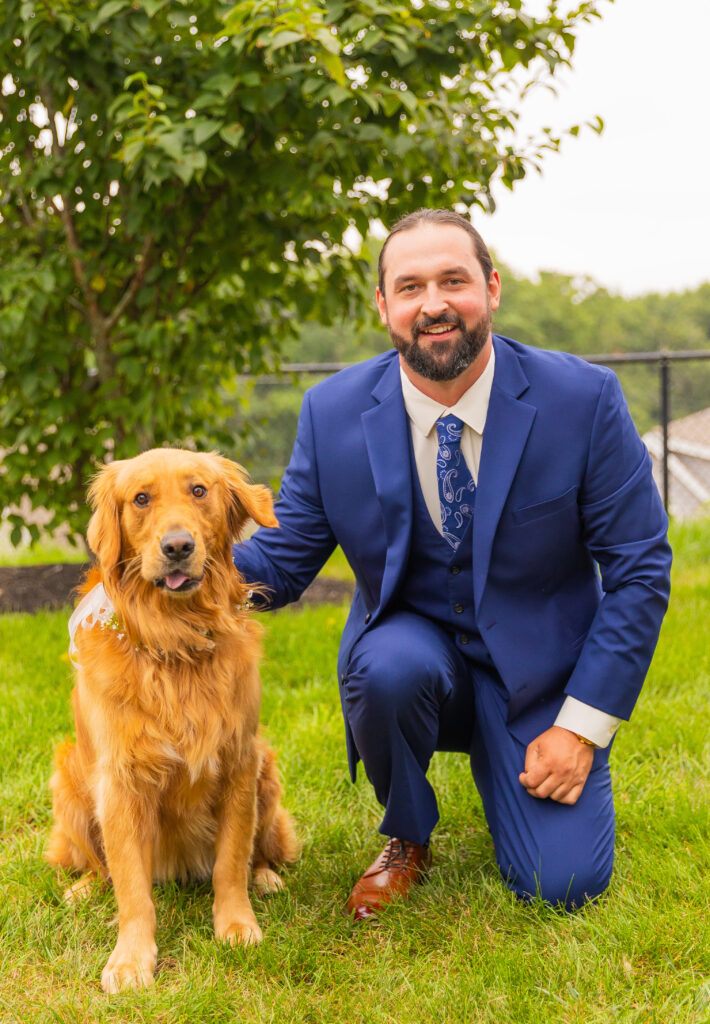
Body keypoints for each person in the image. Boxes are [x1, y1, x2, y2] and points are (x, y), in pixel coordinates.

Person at [233, 208, 671, 917]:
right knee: (389, 667)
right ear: (384, 307)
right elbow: (280, 563)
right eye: (409, 287)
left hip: (543, 683)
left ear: (492, 289)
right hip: (413, 659)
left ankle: (534, 763)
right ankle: (408, 833)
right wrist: (148, 571)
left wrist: (580, 728)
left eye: (453, 281)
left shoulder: (583, 401)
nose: (432, 304)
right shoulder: (331, 413)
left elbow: (639, 570)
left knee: (560, 888)